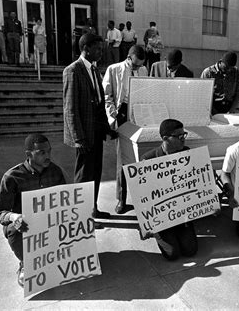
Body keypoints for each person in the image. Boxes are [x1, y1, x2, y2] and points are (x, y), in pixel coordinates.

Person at [0, 134, 66, 287]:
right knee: (13, 230)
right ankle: (26, 263)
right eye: (42, 153)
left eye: (49, 151)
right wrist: (14, 217)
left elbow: (66, 199)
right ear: (28, 154)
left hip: (51, 221)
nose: (48, 156)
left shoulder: (55, 171)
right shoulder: (12, 177)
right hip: (26, 224)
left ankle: (52, 257)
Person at [63, 33, 118, 221]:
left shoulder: (94, 70)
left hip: (96, 133)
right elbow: (70, 109)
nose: (101, 52)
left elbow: (99, 104)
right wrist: (79, 138)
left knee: (95, 174)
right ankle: (82, 218)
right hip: (84, 136)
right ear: (86, 49)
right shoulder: (72, 71)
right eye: (98, 49)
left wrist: (108, 128)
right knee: (83, 178)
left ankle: (92, 209)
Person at [140, 119, 198, 260]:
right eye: (179, 136)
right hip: (161, 218)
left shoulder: (186, 153)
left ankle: (179, 233)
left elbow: (197, 182)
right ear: (165, 138)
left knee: (190, 251)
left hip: (181, 215)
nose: (183, 139)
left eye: (184, 135)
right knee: (172, 254)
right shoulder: (148, 159)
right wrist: (147, 225)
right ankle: (159, 234)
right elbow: (142, 195)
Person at [103, 44, 147, 214]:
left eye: (140, 65)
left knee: (140, 157)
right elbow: (107, 95)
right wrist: (114, 116)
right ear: (129, 58)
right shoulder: (114, 69)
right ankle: (121, 199)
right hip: (121, 114)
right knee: (123, 158)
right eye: (135, 65)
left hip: (138, 115)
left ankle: (143, 198)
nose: (137, 68)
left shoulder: (143, 70)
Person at [201, 51, 239, 115]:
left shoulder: (235, 72)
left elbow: (238, 92)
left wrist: (231, 110)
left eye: (231, 68)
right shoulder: (208, 73)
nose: (228, 70)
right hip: (213, 108)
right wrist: (213, 111)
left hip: (229, 108)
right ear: (221, 62)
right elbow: (203, 95)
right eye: (226, 67)